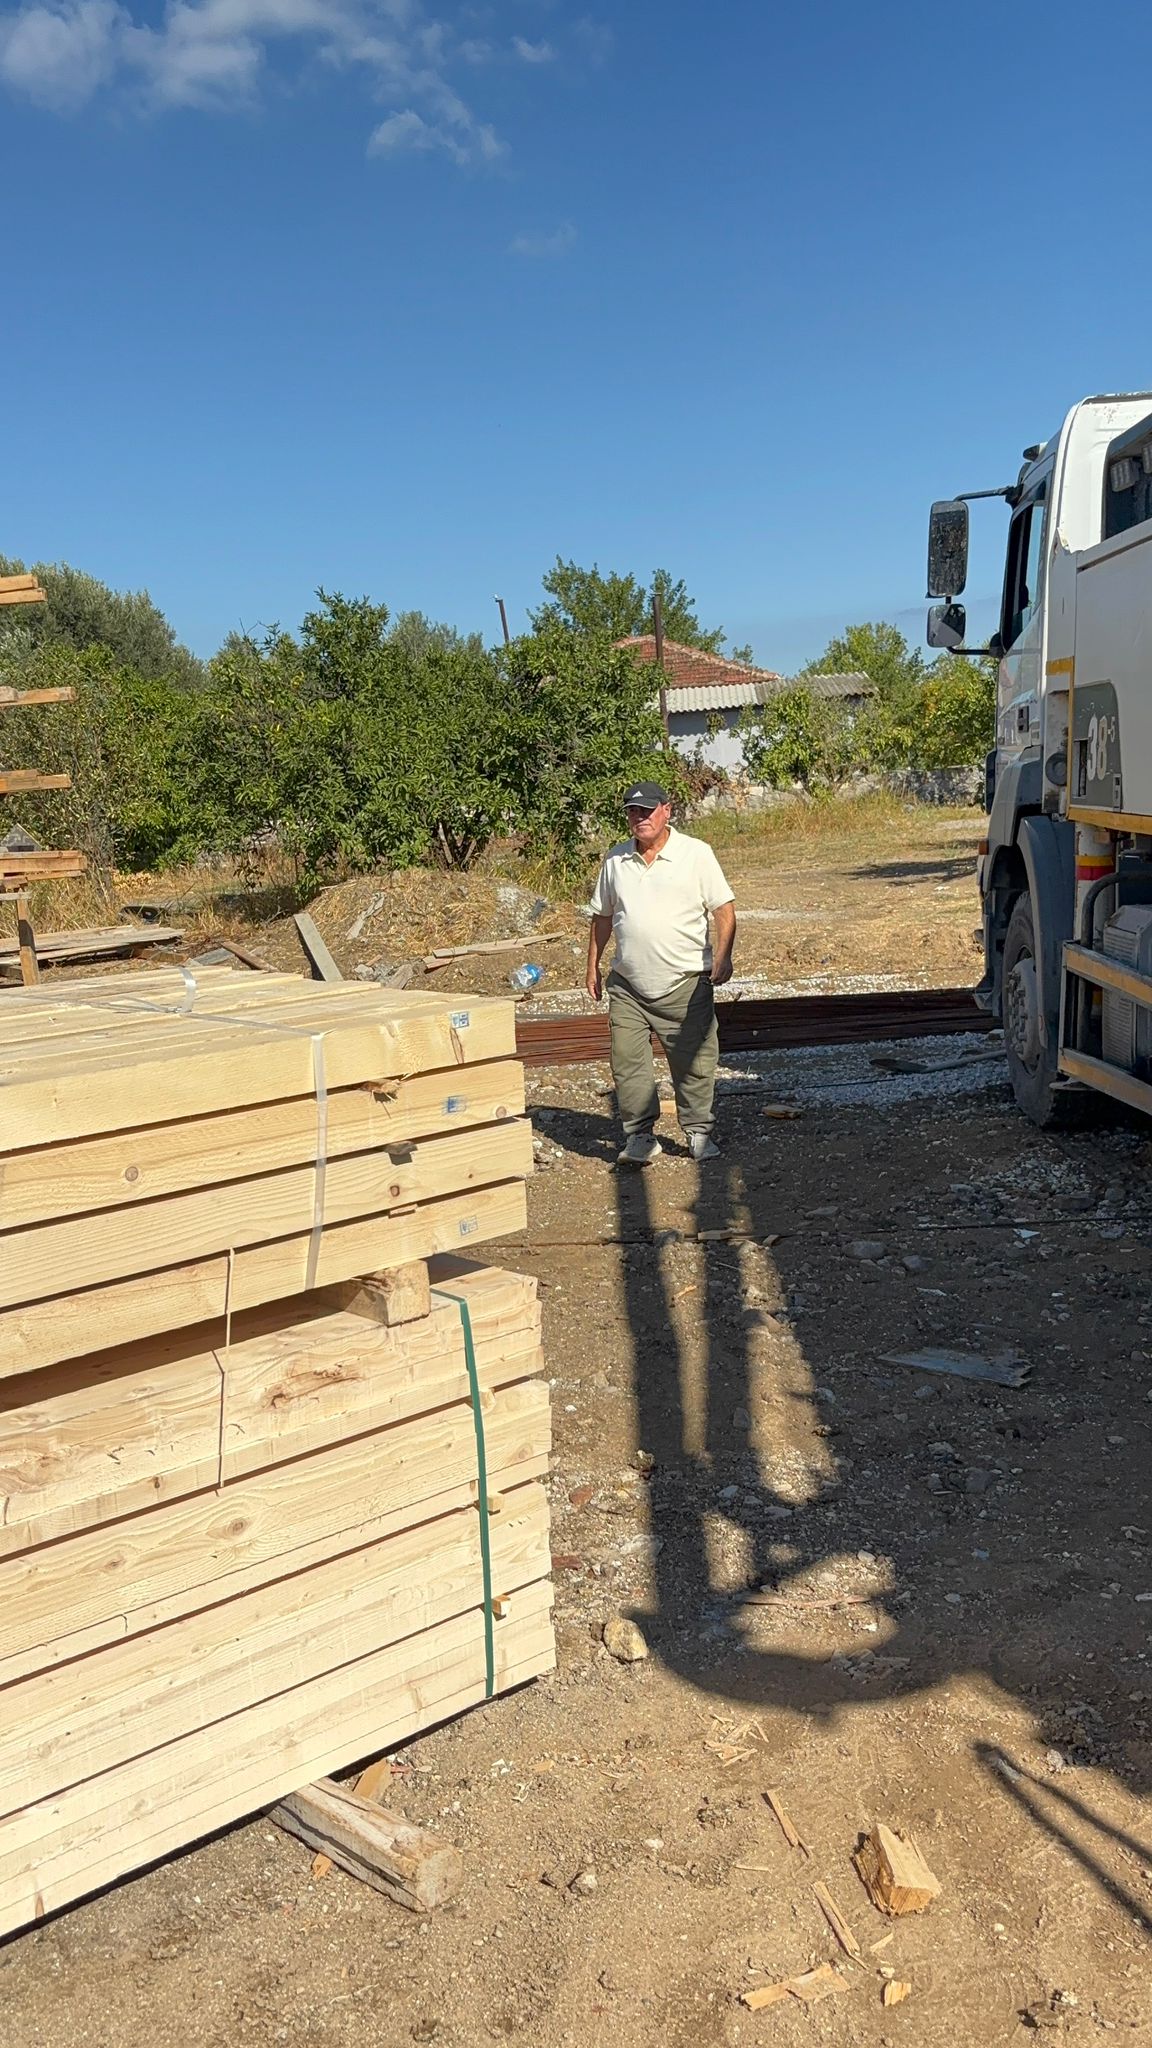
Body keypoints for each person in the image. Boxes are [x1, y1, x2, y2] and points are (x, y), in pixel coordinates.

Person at [585, 780, 736, 1165]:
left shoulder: (696, 855)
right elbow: (602, 917)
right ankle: (639, 1136)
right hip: (628, 986)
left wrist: (723, 956)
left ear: (667, 810)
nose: (639, 818)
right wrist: (593, 967)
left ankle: (698, 1132)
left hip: (685, 983)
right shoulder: (615, 861)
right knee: (627, 1063)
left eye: (647, 810)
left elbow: (723, 909)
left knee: (695, 1060)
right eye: (632, 812)